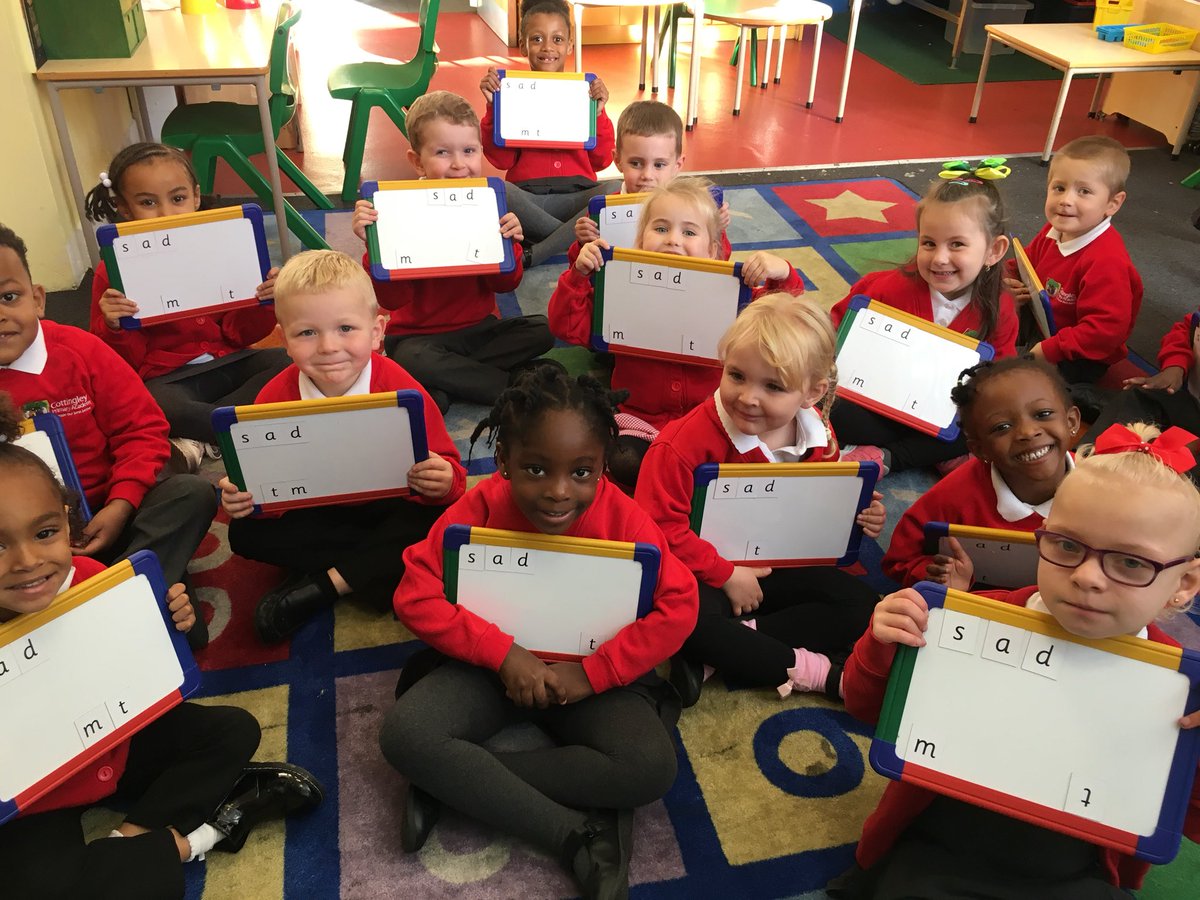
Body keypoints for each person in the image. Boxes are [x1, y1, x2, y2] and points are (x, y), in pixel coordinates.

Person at [835, 421, 1200, 898]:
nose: (1087, 577)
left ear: (1185, 586)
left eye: (1132, 562)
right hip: (941, 845)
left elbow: (1185, 819)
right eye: (1068, 546)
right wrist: (883, 644)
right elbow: (867, 710)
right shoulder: (972, 622)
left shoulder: (1178, 687)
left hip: (1074, 871)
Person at [378, 361, 698, 900]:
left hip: (587, 673)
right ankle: (574, 835)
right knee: (405, 736)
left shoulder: (625, 519)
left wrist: (594, 675)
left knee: (650, 767)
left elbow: (680, 605)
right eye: (535, 469)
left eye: (581, 472)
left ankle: (460, 783)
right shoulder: (476, 508)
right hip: (489, 669)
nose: (557, 492)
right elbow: (414, 591)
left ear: (603, 469)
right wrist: (503, 654)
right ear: (502, 460)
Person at [0, 393, 323, 900]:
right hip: (31, 800)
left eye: (45, 533)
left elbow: (147, 679)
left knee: (231, 730)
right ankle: (195, 839)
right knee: (30, 885)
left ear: (67, 522)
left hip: (112, 745)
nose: (26, 561)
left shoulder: (88, 577)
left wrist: (168, 628)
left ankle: (123, 849)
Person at [635, 294, 883, 706]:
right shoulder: (680, 445)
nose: (748, 397)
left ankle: (727, 650)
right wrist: (727, 573)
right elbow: (656, 530)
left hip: (779, 565)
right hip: (703, 573)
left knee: (863, 607)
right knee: (680, 619)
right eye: (736, 375)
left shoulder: (818, 433)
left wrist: (859, 514)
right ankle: (818, 674)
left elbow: (822, 506)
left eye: (773, 386)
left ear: (812, 392)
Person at [218, 250, 466, 643]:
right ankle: (373, 574)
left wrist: (444, 479)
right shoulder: (273, 397)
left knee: (443, 517)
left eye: (346, 328)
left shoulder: (402, 390)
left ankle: (326, 584)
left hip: (389, 507)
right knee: (244, 534)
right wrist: (244, 497)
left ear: (377, 331)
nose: (329, 347)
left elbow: (453, 478)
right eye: (307, 333)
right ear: (283, 339)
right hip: (318, 513)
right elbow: (261, 495)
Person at [0, 224, 216, 649]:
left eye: (9, 297)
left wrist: (121, 504)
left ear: (38, 298)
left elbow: (142, 428)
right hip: (20, 549)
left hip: (111, 513)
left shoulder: (79, 350)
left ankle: (118, 586)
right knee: (182, 634)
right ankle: (129, 593)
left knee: (191, 494)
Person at [549, 176, 802, 485]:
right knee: (624, 461)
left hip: (715, 418)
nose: (672, 239)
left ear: (713, 251)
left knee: (745, 463)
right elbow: (567, 327)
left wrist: (783, 273)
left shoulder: (730, 293)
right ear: (640, 242)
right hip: (643, 419)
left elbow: (783, 320)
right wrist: (578, 276)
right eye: (660, 228)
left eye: (689, 232)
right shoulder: (620, 286)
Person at [84, 142, 289, 468]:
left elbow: (242, 334)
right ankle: (238, 429)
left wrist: (263, 301)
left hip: (229, 362)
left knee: (292, 361)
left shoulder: (224, 246)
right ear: (124, 208)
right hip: (168, 380)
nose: (166, 213)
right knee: (149, 402)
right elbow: (119, 364)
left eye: (177, 199)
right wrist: (113, 326)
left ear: (195, 197)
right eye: (148, 202)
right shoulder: (114, 268)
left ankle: (201, 436)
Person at [351, 90, 553, 411]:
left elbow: (505, 284)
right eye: (443, 152)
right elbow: (392, 301)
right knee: (411, 357)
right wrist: (374, 247)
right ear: (417, 161)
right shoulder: (398, 210)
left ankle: (442, 383)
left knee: (543, 329)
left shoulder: (488, 204)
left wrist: (510, 244)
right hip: (418, 338)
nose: (460, 164)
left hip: (479, 329)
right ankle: (509, 385)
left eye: (469, 151)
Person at [830, 177, 1017, 475]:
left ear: (994, 250)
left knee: (991, 424)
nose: (940, 258)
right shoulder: (884, 289)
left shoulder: (1000, 309)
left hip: (946, 416)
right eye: (928, 243)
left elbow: (999, 377)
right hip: (879, 409)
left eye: (957, 244)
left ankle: (890, 458)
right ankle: (928, 453)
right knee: (830, 408)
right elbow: (834, 331)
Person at [883, 356, 1081, 588]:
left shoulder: (1110, 486)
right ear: (980, 450)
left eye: (1043, 414)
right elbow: (900, 560)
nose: (1027, 432)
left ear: (1072, 421)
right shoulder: (954, 496)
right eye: (1002, 427)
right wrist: (936, 575)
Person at [1003, 135, 1143, 404]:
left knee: (1011, 381)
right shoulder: (1055, 229)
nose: (1066, 200)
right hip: (1043, 323)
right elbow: (1024, 265)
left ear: (1113, 203)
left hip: (1079, 355)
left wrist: (1049, 349)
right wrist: (1007, 279)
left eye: (1084, 192)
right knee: (983, 314)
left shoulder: (1106, 261)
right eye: (1058, 188)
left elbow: (1104, 331)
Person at [479, 0, 618, 264]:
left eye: (557, 39)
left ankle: (539, 250)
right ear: (523, 45)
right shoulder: (510, 91)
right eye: (537, 39)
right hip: (530, 197)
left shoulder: (586, 92)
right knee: (498, 191)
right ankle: (572, 238)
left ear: (569, 46)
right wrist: (492, 107)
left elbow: (601, 161)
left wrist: (599, 113)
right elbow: (502, 161)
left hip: (578, 194)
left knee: (617, 189)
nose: (547, 48)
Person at [566, 100, 732, 262]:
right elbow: (580, 269)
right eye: (636, 163)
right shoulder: (603, 212)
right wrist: (582, 244)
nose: (647, 175)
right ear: (618, 161)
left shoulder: (694, 210)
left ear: (677, 165)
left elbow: (719, 262)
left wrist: (716, 230)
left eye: (659, 165)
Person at [1081, 311, 1200, 483]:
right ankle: (1088, 465)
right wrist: (1175, 366)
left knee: (1185, 481)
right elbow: (1186, 331)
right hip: (1190, 403)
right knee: (1139, 394)